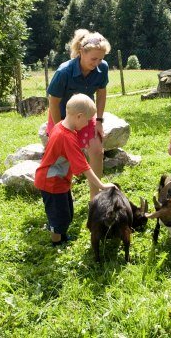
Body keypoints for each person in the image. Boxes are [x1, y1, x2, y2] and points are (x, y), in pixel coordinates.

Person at [35, 94, 117, 246]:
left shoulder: (60, 127)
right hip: (51, 182)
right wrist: (101, 185)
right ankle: (57, 242)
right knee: (59, 215)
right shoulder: (67, 137)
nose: (87, 124)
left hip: (59, 180)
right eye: (87, 120)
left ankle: (61, 234)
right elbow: (84, 166)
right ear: (79, 116)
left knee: (67, 212)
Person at [47, 29, 111, 200]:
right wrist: (59, 128)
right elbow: (53, 102)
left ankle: (94, 197)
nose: (97, 63)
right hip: (62, 117)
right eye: (93, 59)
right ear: (82, 52)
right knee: (64, 156)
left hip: (86, 116)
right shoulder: (64, 72)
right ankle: (61, 195)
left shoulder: (102, 68)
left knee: (97, 150)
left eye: (100, 59)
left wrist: (98, 120)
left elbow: (102, 93)